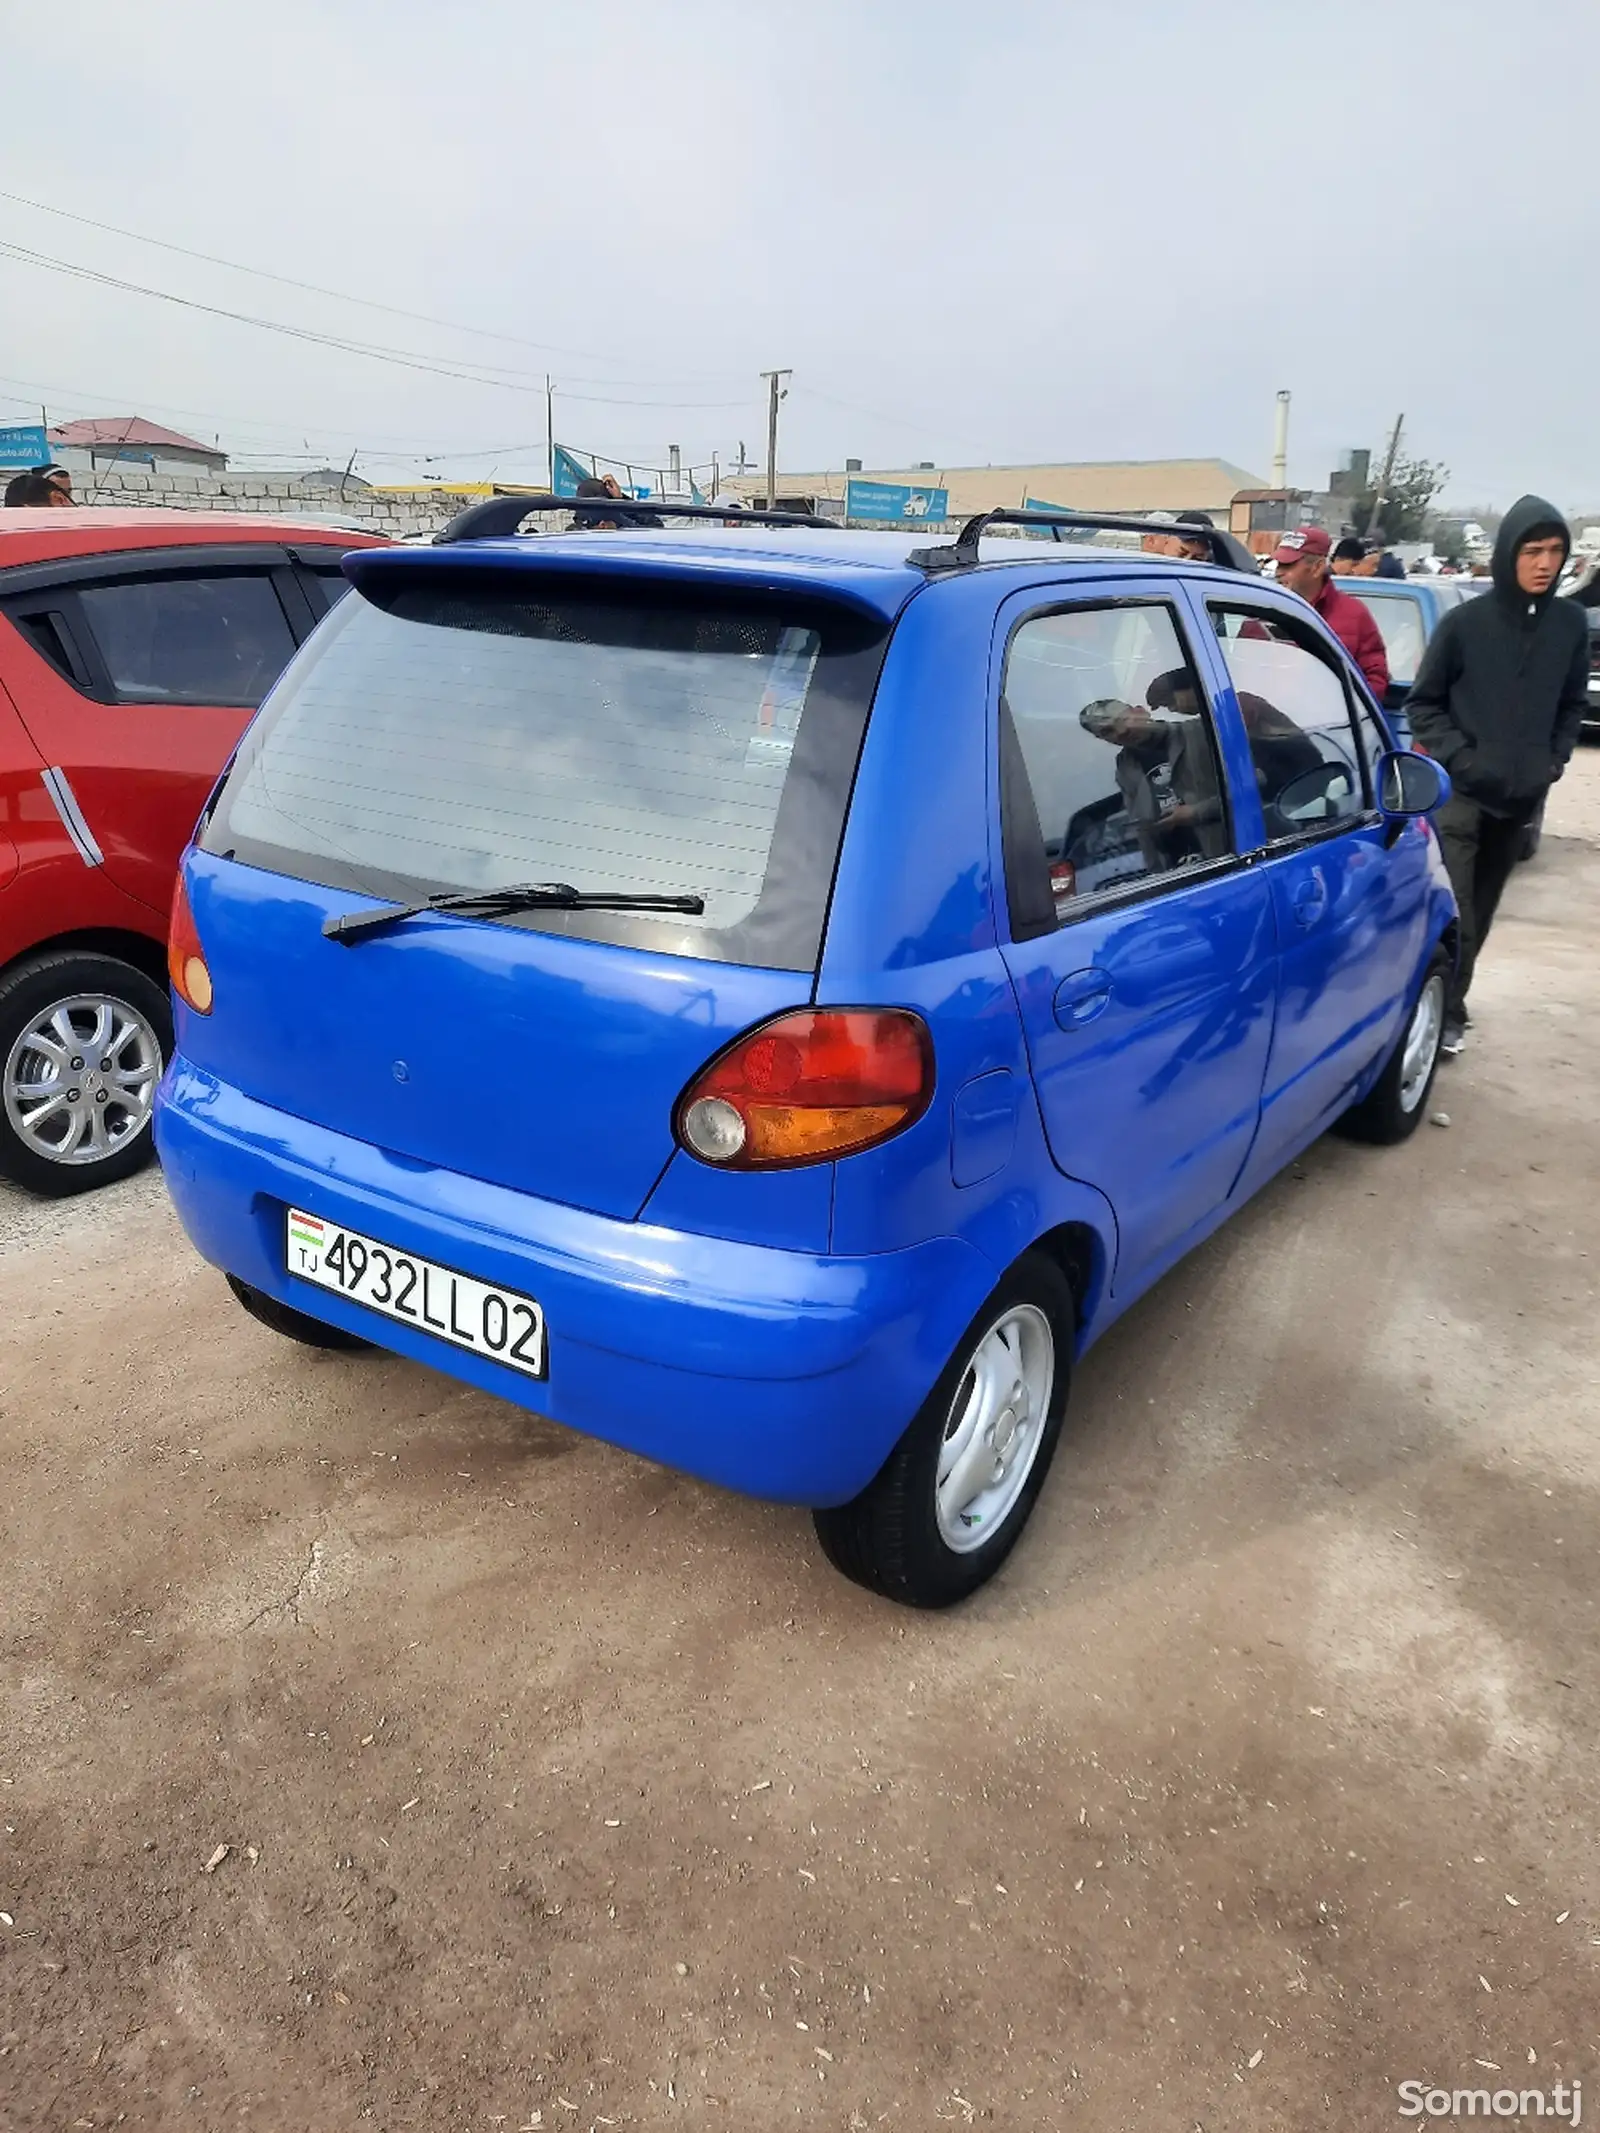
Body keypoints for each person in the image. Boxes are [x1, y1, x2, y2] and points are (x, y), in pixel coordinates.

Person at [1405, 493, 1589, 1056]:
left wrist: (1552, 761)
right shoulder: (1465, 624)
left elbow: (1571, 702)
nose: (1544, 563)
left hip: (1521, 800)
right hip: (1462, 797)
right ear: (1510, 552)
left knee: (1482, 913)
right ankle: (1439, 1012)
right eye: (1532, 550)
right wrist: (1463, 759)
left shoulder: (1570, 624)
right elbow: (1423, 704)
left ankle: (1453, 1004)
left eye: (1555, 551)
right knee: (1454, 911)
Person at [1271, 526, 1390, 697]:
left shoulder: (1354, 615)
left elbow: (1375, 678)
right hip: (1268, 721)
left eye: (1288, 565)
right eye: (1279, 565)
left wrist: (1343, 713)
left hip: (1331, 722)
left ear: (1318, 567)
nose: (1278, 572)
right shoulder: (1263, 611)